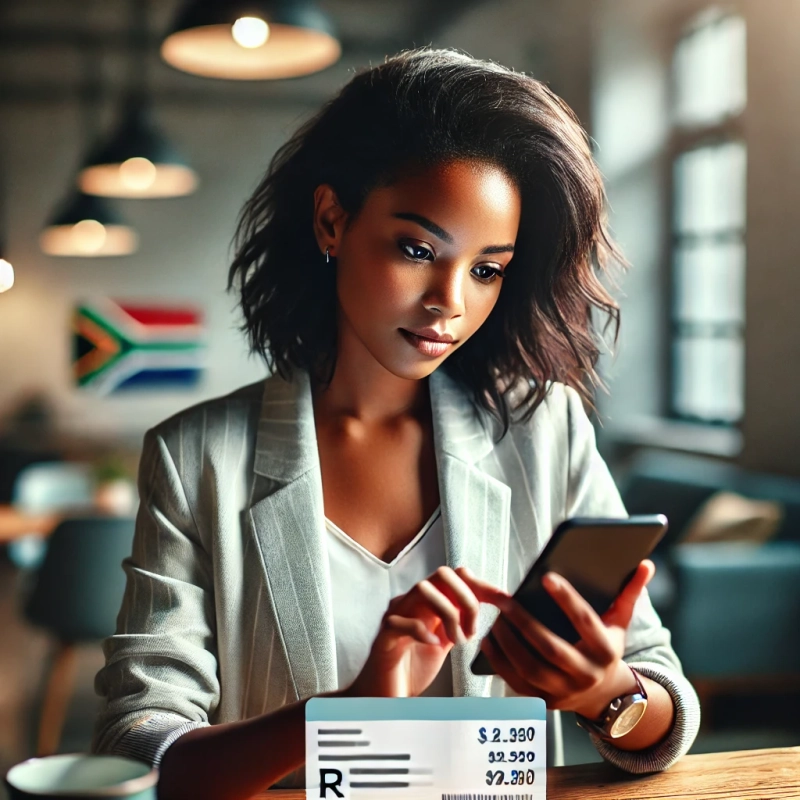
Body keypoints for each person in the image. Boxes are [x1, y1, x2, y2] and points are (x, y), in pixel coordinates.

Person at [92, 47, 700, 800]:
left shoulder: (546, 429)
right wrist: (343, 717)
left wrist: (604, 692)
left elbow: (662, 705)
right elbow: (137, 743)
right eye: (418, 249)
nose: (450, 301)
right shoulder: (196, 457)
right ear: (331, 222)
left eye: (487, 269)